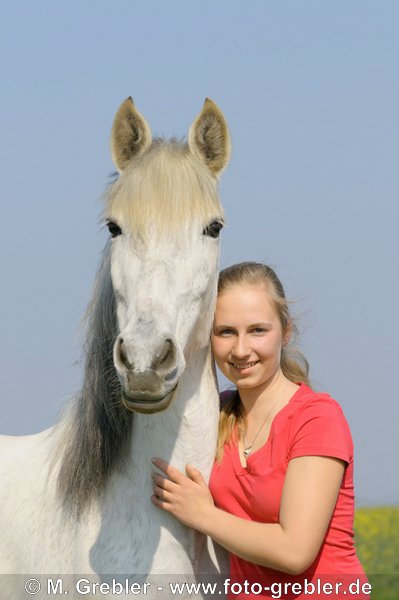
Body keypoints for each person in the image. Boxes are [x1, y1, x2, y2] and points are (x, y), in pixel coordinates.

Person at [151, 262, 369, 599]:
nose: (240, 349)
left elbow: (295, 552)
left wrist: (203, 515)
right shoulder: (214, 415)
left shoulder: (317, 418)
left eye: (257, 330)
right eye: (225, 331)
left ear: (286, 331)